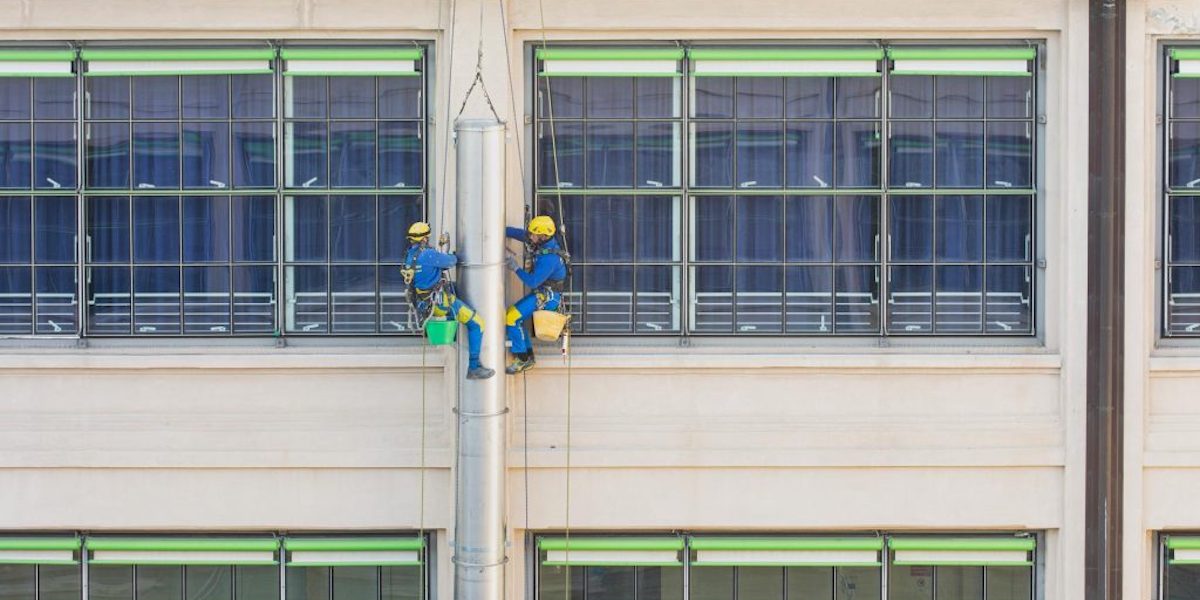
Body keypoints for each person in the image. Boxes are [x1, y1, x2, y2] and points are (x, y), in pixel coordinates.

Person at [402, 221, 494, 380]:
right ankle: (474, 366)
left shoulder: (410, 256)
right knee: (477, 323)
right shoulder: (429, 255)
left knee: (453, 287)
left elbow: (433, 269)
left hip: (424, 303)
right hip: (440, 303)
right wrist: (447, 252)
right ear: (424, 239)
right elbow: (451, 261)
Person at [503, 215, 569, 374]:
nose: (530, 236)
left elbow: (532, 282)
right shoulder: (543, 242)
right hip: (544, 294)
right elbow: (522, 235)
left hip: (548, 298)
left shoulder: (550, 259)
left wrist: (515, 268)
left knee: (512, 318)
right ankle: (527, 356)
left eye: (533, 234)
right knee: (514, 318)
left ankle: (522, 359)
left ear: (542, 236)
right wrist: (500, 231)